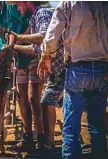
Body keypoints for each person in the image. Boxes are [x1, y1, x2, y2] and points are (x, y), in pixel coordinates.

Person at [38, 1, 108, 159]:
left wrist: (46, 54)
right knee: (97, 126)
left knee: (70, 130)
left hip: (77, 69)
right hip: (102, 69)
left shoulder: (68, 3)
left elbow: (53, 33)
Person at [0, 1, 39, 150]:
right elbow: (2, 37)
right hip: (17, 57)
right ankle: (28, 136)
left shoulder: (13, 7)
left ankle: (40, 138)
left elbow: (30, 25)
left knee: (33, 97)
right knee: (21, 96)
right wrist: (0, 56)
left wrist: (15, 45)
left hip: (29, 54)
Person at [6, 1, 58, 151]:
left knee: (42, 99)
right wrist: (13, 47)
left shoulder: (42, 13)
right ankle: (44, 142)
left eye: (19, 3)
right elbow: (36, 48)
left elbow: (43, 37)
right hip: (57, 64)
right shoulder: (35, 17)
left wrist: (18, 38)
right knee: (40, 99)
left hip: (61, 65)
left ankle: (46, 142)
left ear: (27, 1)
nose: (17, 7)